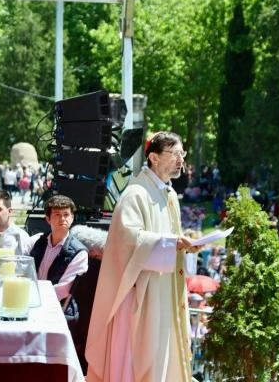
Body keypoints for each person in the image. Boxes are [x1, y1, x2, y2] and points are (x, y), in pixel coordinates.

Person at [86, 131, 201, 382]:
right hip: (138, 291)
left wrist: (183, 244)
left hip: (164, 288)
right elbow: (128, 240)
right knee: (135, 357)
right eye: (175, 154)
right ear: (154, 157)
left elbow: (170, 237)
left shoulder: (169, 195)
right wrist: (172, 243)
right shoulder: (135, 194)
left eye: (183, 154)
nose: (181, 159)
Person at [28, 194, 88, 307]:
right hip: (31, 300)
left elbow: (63, 291)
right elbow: (22, 270)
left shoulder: (79, 253)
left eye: (66, 214)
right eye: (57, 215)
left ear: (72, 218)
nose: (62, 219)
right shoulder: (36, 241)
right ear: (48, 219)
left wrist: (33, 298)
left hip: (58, 308)